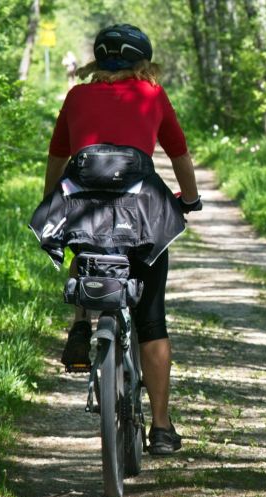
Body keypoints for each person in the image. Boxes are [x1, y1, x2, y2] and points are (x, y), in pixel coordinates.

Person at [41, 24, 202, 455]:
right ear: (142, 63)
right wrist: (190, 200)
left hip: (84, 204)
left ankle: (80, 322)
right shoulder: (152, 94)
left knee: (84, 243)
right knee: (152, 318)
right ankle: (163, 428)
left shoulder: (76, 96)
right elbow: (179, 154)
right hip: (141, 211)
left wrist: (50, 201)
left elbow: (58, 157)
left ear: (97, 61)